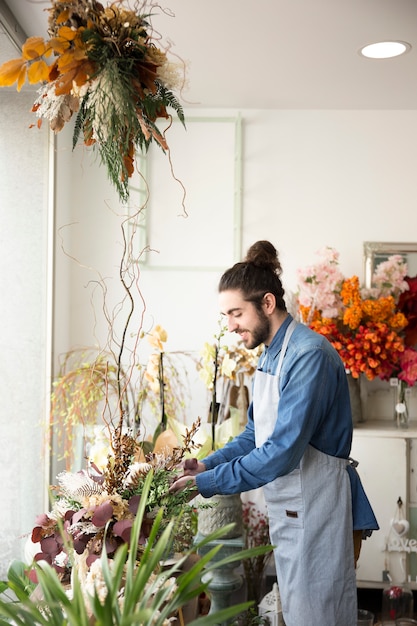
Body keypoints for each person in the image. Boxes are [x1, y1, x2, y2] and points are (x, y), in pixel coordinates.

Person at [170, 240, 379, 626]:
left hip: (319, 510)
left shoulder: (308, 355)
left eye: (236, 313)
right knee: (300, 612)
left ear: (267, 304)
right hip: (293, 509)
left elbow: (281, 451)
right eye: (226, 315)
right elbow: (254, 435)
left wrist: (206, 484)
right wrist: (204, 465)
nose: (230, 325)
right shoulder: (269, 354)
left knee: (320, 615)